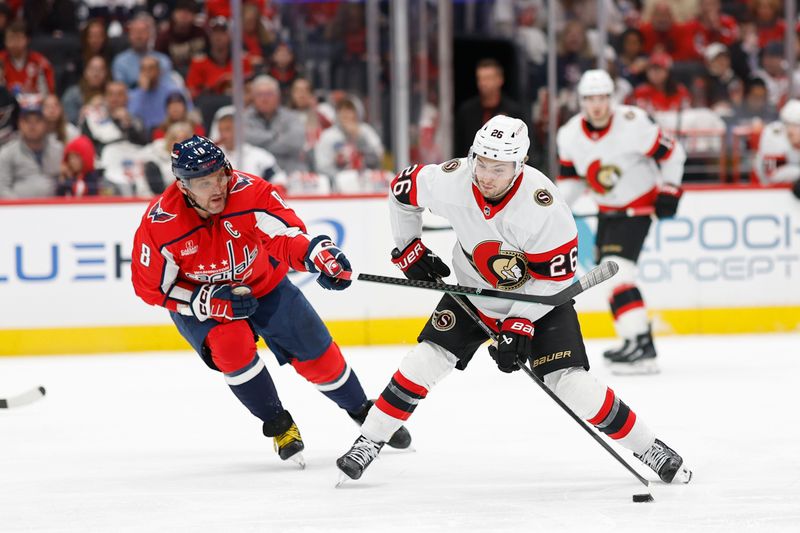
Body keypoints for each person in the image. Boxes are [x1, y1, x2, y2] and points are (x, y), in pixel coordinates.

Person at [335, 115, 693, 487]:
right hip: (472, 293)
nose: (486, 175)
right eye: (482, 163)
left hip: (538, 299)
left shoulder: (544, 207)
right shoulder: (451, 180)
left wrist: (519, 321)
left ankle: (650, 447)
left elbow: (555, 279)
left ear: (519, 165)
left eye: (499, 167)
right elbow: (401, 191)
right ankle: (369, 440)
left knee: (571, 384)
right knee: (424, 361)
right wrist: (408, 247)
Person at [131, 135, 411, 465]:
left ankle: (361, 410)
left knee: (319, 356)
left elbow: (285, 236)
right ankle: (280, 426)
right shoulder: (160, 223)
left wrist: (316, 254)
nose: (217, 187)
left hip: (264, 284)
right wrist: (203, 301)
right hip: (202, 303)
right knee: (231, 348)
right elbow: (151, 288)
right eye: (204, 182)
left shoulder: (250, 192)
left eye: (220, 175)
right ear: (183, 186)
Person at [556, 70, 686, 374]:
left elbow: (674, 153)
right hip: (607, 211)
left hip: (637, 209)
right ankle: (631, 339)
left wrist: (670, 188)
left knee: (618, 272)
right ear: (582, 101)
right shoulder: (569, 134)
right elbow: (571, 180)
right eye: (590, 99)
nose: (597, 105)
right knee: (608, 276)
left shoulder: (634, 123)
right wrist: (557, 208)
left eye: (602, 98)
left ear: (611, 98)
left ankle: (643, 343)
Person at [0, 94, 63, 198]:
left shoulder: (58, 149)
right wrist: (21, 208)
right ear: (19, 123)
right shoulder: (7, 153)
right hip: (17, 211)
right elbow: (1, 188)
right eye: (27, 121)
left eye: (37, 120)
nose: (32, 125)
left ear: (45, 123)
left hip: (54, 209)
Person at [753, 99, 800, 199]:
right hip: (766, 192)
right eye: (791, 125)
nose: (792, 130)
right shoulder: (774, 135)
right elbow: (772, 174)